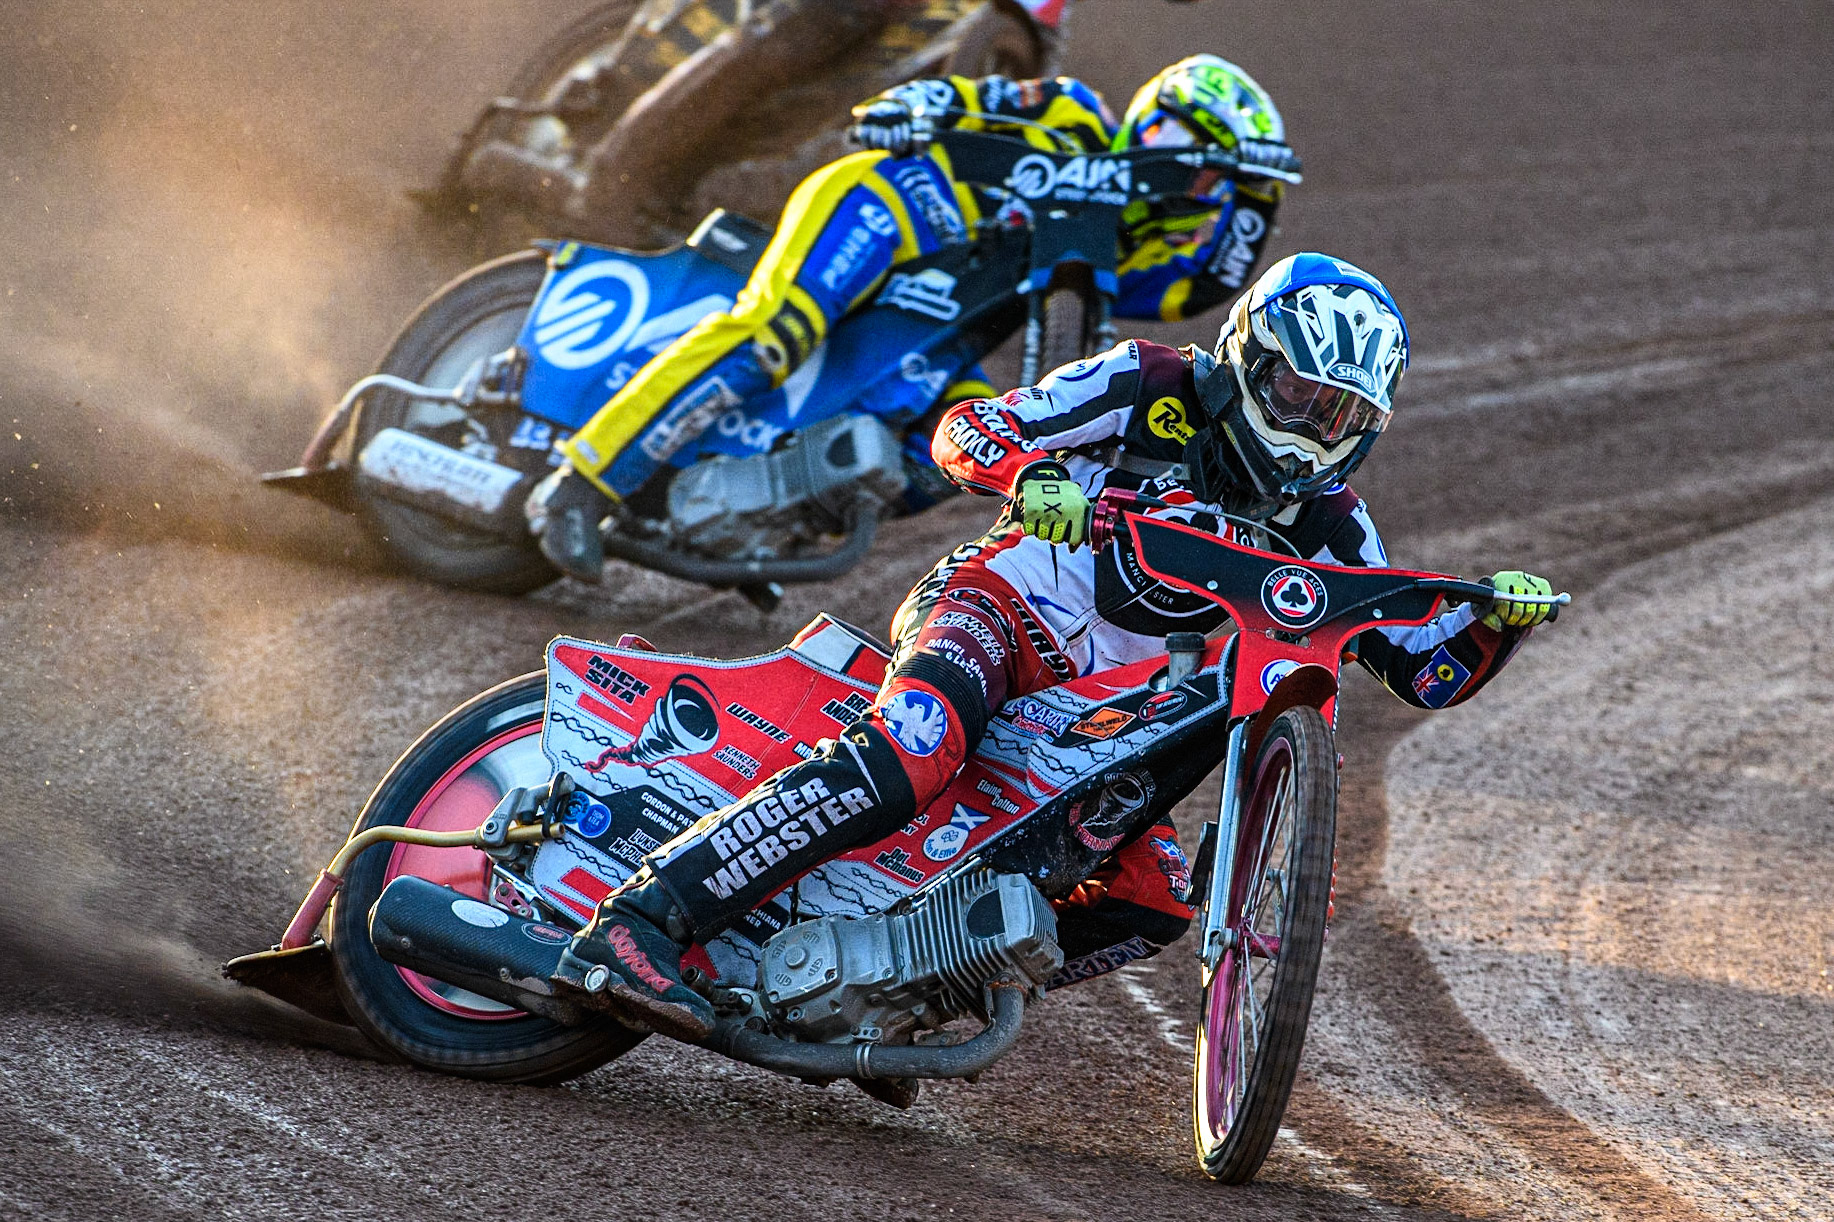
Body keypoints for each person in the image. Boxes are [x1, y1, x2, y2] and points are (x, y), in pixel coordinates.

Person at [548, 252, 1559, 1042]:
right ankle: (640, 919)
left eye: (1339, 413)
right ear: (1249, 355)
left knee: (1152, 897)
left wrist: (1493, 622)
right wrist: (1029, 474)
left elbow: (1422, 665)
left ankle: (897, 989)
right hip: (995, 603)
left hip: (1095, 704)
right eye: (1297, 393)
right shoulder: (1143, 381)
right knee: (912, 749)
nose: (1309, 429)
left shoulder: (1332, 522)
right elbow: (965, 430)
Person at [527, 54, 1304, 581]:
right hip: (890, 208)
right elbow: (981, 95)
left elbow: (1191, 294)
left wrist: (1257, 200)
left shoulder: (1128, 252)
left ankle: (776, 512)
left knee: (962, 439)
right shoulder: (1073, 113)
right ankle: (579, 482)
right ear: (1162, 126)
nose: (1202, 191)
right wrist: (919, 104)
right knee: (775, 332)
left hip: (933, 323)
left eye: (1220, 183)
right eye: (1203, 164)